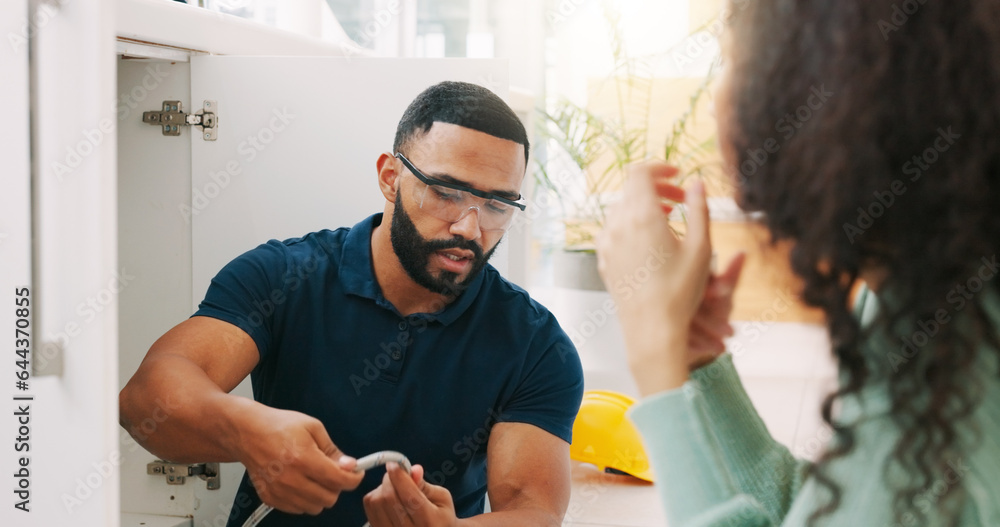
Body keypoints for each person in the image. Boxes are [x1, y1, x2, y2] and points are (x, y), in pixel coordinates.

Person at [598, 1, 1000, 526]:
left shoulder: (955, 406)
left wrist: (655, 359)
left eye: (728, 65)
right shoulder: (922, 301)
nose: (715, 100)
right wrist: (696, 364)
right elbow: (819, 510)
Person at [119, 81, 584, 527]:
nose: (469, 227)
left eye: (497, 205)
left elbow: (535, 511)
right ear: (389, 177)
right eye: (446, 192)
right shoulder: (282, 275)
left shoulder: (535, 343)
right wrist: (248, 431)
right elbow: (144, 400)